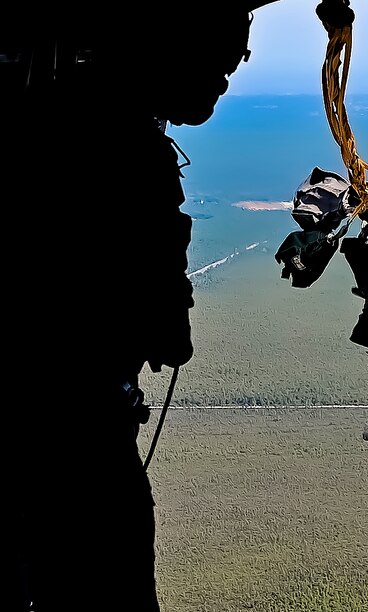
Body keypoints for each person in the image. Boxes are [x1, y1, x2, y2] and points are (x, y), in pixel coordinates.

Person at [2, 2, 269, 610]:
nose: (226, 74)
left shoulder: (68, 120)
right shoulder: (112, 145)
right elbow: (146, 307)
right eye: (221, 58)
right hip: (74, 429)